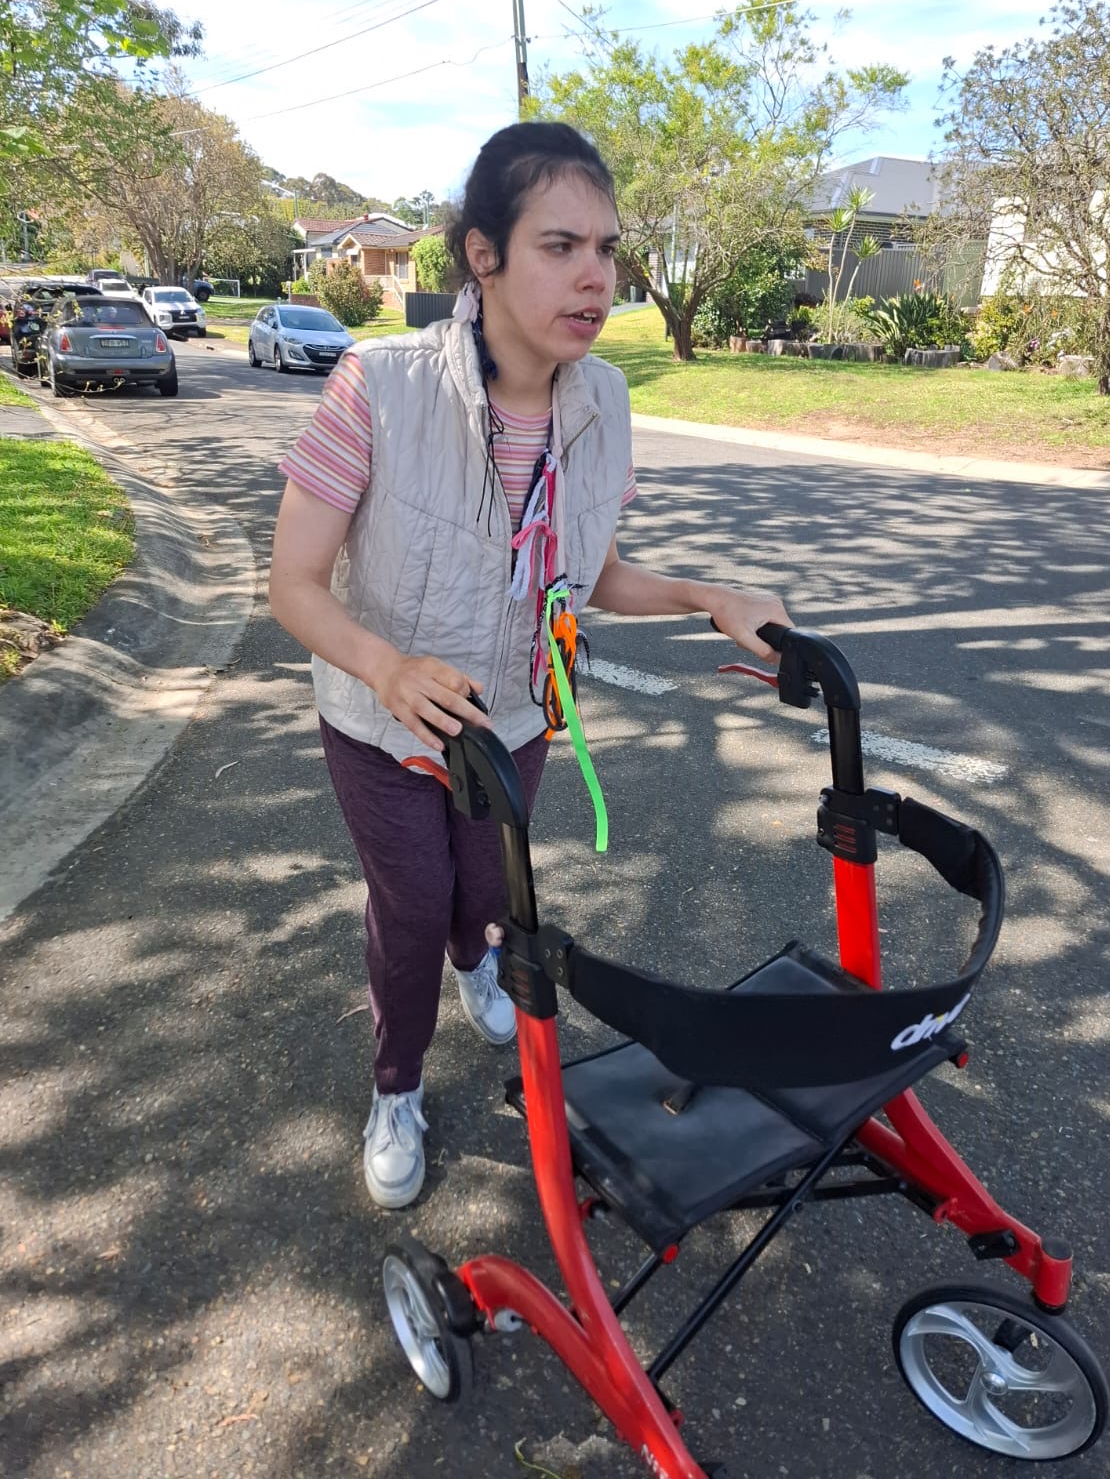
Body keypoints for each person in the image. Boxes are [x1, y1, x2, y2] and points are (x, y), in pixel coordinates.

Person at [268, 121, 789, 1210]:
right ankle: (396, 1087)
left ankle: (474, 966)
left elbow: (590, 573)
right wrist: (389, 667)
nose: (596, 276)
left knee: (484, 906)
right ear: (483, 255)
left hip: (516, 714)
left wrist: (708, 597)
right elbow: (294, 587)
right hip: (384, 718)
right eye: (562, 245)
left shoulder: (603, 400)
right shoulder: (379, 384)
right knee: (412, 907)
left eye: (608, 249)